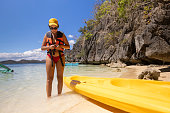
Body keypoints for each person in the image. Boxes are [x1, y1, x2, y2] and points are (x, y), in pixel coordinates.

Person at [41, 18, 70, 98]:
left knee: (60, 78)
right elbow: (42, 48)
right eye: (51, 28)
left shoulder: (62, 35)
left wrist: (60, 46)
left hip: (60, 57)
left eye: (55, 27)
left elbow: (68, 46)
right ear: (49, 27)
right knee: (49, 79)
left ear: (58, 27)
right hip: (50, 57)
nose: (53, 29)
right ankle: (49, 99)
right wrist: (49, 47)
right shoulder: (47, 35)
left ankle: (59, 96)